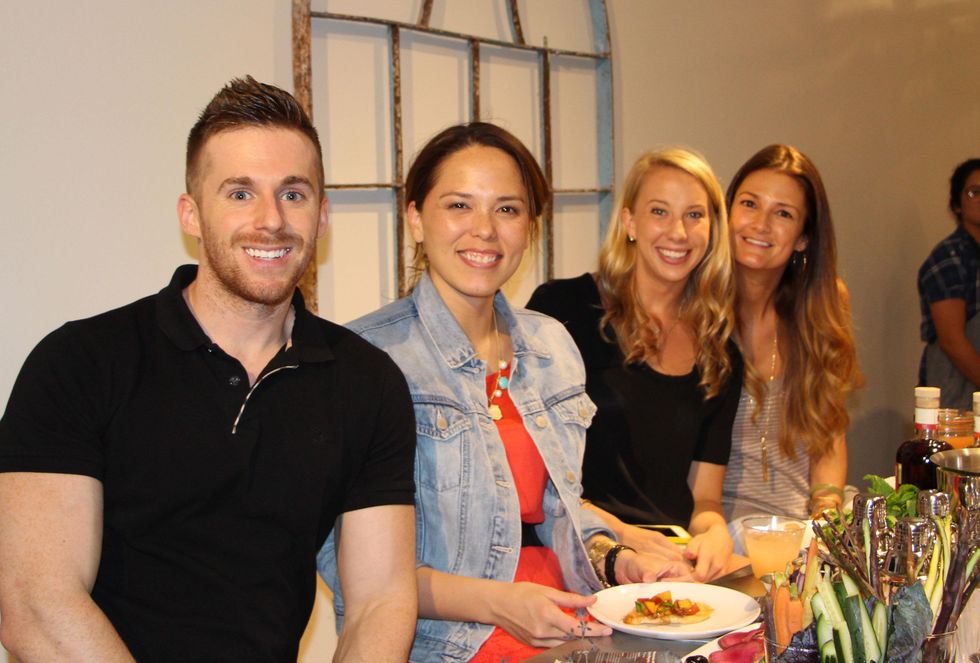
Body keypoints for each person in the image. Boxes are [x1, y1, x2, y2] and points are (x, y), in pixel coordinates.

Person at [0, 76, 418, 663]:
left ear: (321, 216)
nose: (271, 220)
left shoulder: (367, 383)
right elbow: (37, 606)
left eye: (293, 193)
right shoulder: (79, 363)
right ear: (191, 214)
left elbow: (380, 599)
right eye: (240, 193)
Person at [318, 123, 692, 663]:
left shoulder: (550, 345)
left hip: (570, 623)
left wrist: (618, 560)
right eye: (459, 206)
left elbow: (559, 510)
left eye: (508, 210)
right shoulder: (365, 359)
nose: (485, 230)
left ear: (529, 227)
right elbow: (354, 574)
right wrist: (497, 603)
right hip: (449, 645)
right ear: (416, 219)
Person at [527, 148, 742, 581]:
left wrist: (714, 533)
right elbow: (533, 476)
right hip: (579, 554)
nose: (678, 232)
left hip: (670, 565)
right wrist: (624, 536)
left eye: (695, 215)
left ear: (713, 228)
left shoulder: (720, 352)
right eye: (659, 212)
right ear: (630, 222)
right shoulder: (562, 310)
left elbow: (704, 501)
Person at [721, 144, 862, 529]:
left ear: (803, 237)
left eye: (783, 213)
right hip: (721, 535)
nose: (761, 224)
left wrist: (827, 509)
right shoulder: (697, 311)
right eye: (749, 204)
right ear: (727, 212)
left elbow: (828, 434)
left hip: (803, 527)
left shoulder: (826, 303)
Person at [918, 158, 980, 410]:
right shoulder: (949, 257)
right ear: (956, 205)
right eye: (974, 192)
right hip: (958, 396)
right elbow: (952, 341)